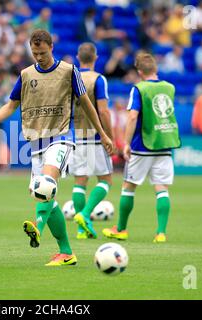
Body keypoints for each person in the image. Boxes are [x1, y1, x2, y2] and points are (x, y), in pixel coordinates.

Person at [0, 30, 114, 266]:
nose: (39, 57)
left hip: (62, 137)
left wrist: (103, 133)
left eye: (42, 52)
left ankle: (38, 227)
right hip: (36, 143)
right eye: (34, 53)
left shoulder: (68, 71)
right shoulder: (25, 75)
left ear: (51, 47)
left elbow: (87, 105)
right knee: (46, 198)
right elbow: (11, 105)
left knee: (45, 185)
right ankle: (66, 253)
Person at [102, 52, 181, 243]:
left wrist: (127, 143)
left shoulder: (139, 89)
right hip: (165, 143)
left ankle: (121, 229)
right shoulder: (169, 87)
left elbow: (132, 116)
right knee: (161, 188)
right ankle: (161, 232)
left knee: (128, 187)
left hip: (142, 145)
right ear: (156, 69)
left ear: (139, 71)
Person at [69, 43, 114, 240]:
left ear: (78, 57)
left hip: (76, 136)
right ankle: (85, 214)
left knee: (80, 182)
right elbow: (103, 110)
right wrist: (109, 135)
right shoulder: (99, 79)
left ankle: (80, 231)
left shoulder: (70, 78)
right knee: (105, 180)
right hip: (96, 137)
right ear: (95, 58)